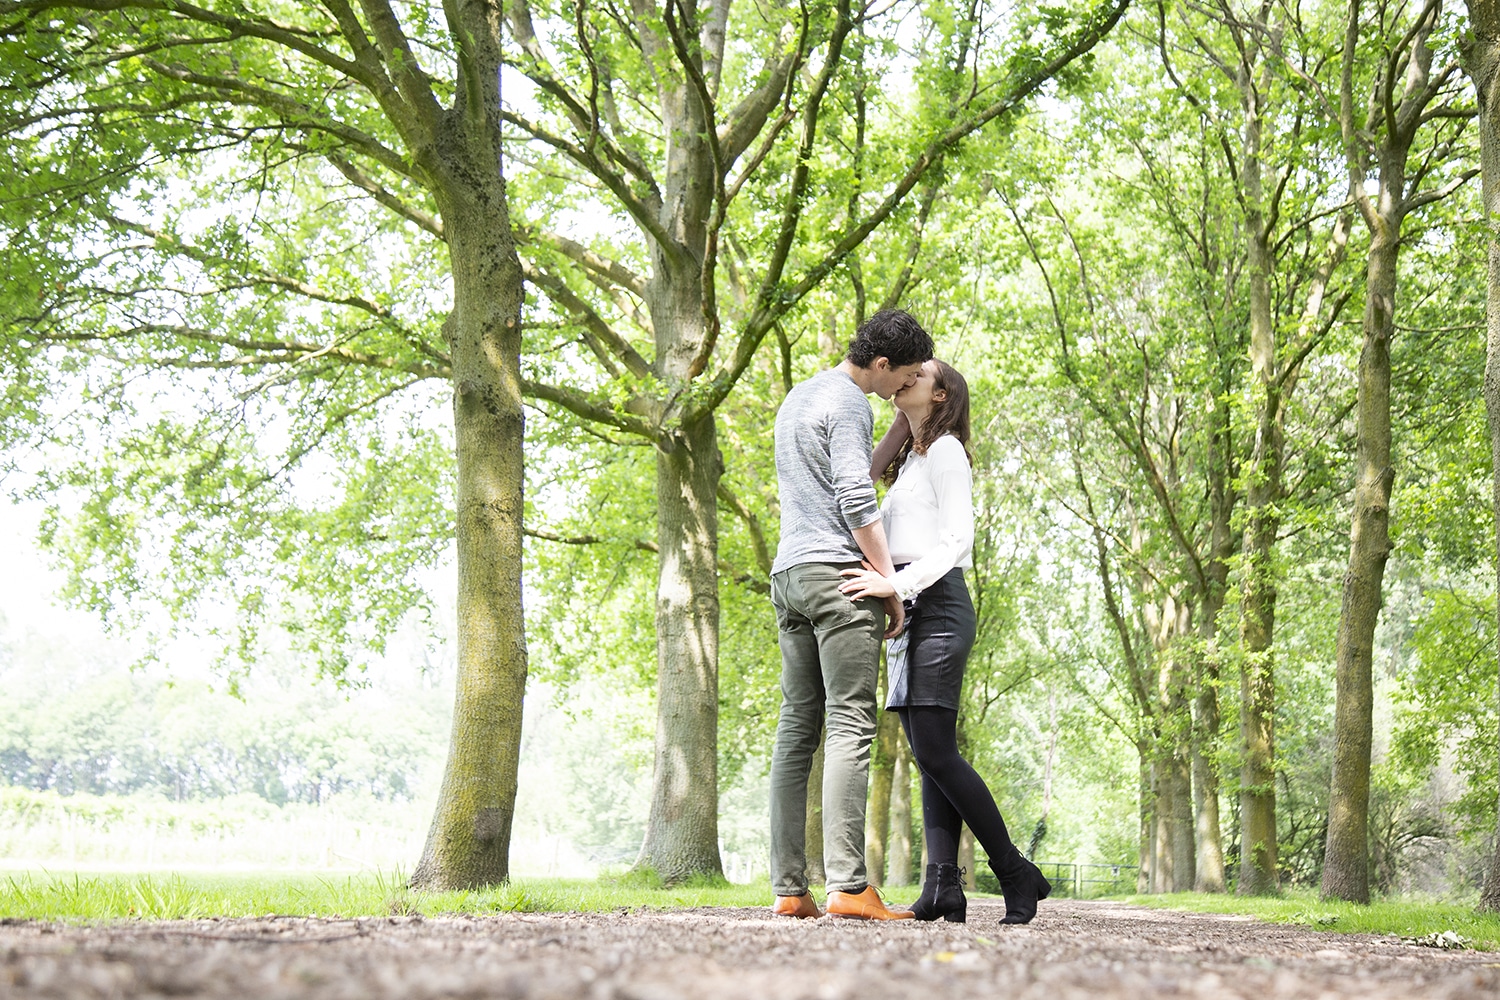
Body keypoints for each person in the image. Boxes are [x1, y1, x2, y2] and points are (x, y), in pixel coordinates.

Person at [838, 359, 1052, 925]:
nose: (905, 376)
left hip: (936, 603)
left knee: (935, 750)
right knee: (926, 754)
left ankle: (1013, 871)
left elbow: (957, 541)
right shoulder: (913, 459)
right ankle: (942, 888)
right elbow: (857, 482)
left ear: (941, 395)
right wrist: (902, 423)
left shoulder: (950, 452)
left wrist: (894, 583)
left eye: (919, 374)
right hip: (906, 606)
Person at [768, 309, 933, 921]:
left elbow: (831, 480)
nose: (905, 388)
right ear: (882, 364)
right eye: (906, 375)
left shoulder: (800, 397)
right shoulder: (850, 403)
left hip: (790, 577)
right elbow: (856, 495)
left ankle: (790, 889)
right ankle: (849, 886)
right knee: (849, 727)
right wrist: (889, 582)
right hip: (839, 578)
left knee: (796, 731)